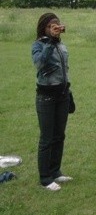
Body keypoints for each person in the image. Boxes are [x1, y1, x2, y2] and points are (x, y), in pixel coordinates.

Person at [31, 13, 73, 191]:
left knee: (59, 136)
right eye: (51, 26)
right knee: (46, 139)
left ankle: (55, 171)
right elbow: (40, 64)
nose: (55, 28)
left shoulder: (61, 45)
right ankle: (45, 178)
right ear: (44, 28)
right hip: (46, 97)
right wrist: (49, 42)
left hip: (62, 95)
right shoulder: (38, 45)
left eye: (57, 25)